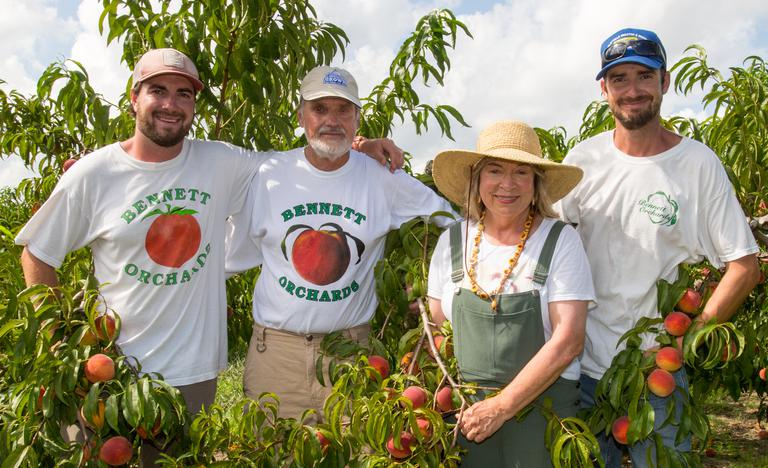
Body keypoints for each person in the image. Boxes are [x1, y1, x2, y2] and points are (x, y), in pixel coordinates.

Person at [15, 48, 403, 462]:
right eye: (157, 91)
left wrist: (361, 146)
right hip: (111, 371)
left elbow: (307, 161)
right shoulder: (94, 174)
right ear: (134, 98)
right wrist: (61, 350)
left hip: (194, 374)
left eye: (184, 94)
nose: (170, 104)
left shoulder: (221, 162)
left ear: (194, 104)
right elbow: (38, 255)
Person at [555, 28, 761, 466]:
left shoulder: (698, 165)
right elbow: (535, 239)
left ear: (665, 82)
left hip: (656, 375)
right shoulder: (582, 161)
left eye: (644, 77)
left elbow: (743, 266)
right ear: (604, 89)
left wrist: (682, 346)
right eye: (619, 79)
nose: (632, 91)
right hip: (581, 369)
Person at [224, 65, 455, 423]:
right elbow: (223, 255)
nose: (332, 120)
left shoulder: (382, 179)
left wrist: (429, 279)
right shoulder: (267, 174)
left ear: (357, 119)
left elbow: (450, 223)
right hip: (276, 355)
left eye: (343, 110)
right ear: (301, 115)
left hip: (351, 353)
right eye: (320, 109)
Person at [426, 120, 595, 467]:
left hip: (542, 413)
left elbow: (568, 341)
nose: (507, 184)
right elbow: (439, 331)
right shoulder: (453, 241)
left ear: (536, 184)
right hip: (467, 415)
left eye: (521, 172)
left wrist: (501, 407)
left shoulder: (559, 240)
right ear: (477, 179)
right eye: (495, 170)